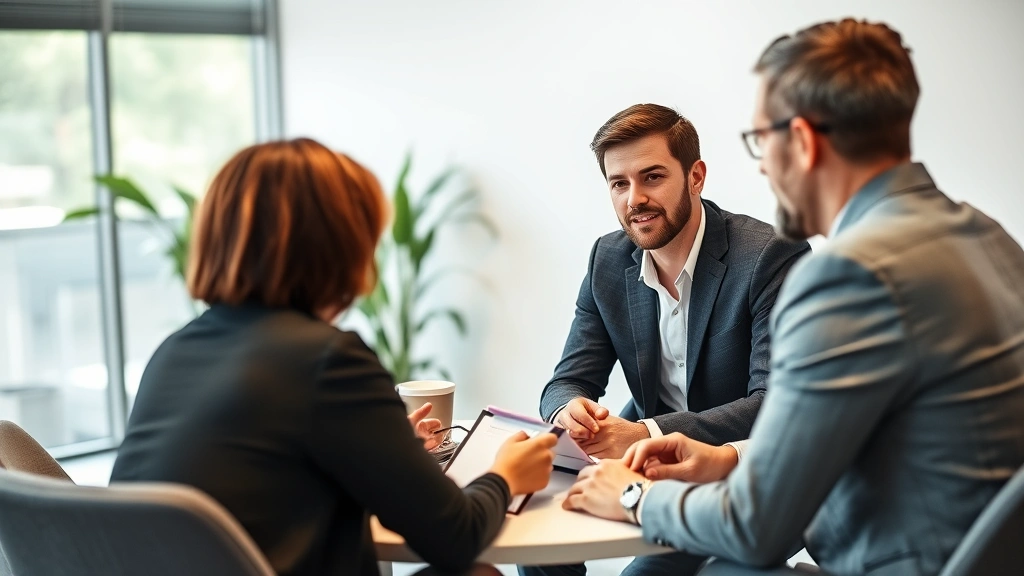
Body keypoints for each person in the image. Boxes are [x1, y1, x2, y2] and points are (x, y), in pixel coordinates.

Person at [561, 18, 1024, 576]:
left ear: (801, 141)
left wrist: (634, 499)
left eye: (762, 140)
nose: (762, 165)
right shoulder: (989, 236)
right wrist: (725, 458)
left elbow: (758, 527)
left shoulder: (847, 276)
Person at [110, 138, 558, 576]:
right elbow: (454, 539)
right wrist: (505, 476)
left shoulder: (175, 351)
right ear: (341, 242)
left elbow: (260, 473)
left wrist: (381, 447)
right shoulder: (326, 359)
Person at [524, 106, 808, 576]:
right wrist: (569, 410)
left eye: (651, 177)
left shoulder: (768, 257)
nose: (635, 199)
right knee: (539, 539)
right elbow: (568, 379)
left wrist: (646, 433)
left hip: (742, 472)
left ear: (695, 176)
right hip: (646, 461)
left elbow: (774, 404)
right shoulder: (608, 259)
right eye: (619, 183)